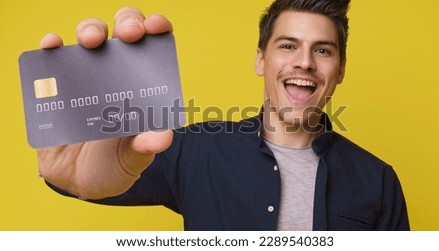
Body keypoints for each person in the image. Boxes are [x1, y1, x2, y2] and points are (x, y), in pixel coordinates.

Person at [38, 0, 410, 230]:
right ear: (261, 59)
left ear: (341, 69)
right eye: (288, 45)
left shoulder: (378, 182)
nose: (304, 62)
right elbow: (101, 174)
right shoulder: (192, 149)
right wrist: (71, 163)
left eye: (323, 51)